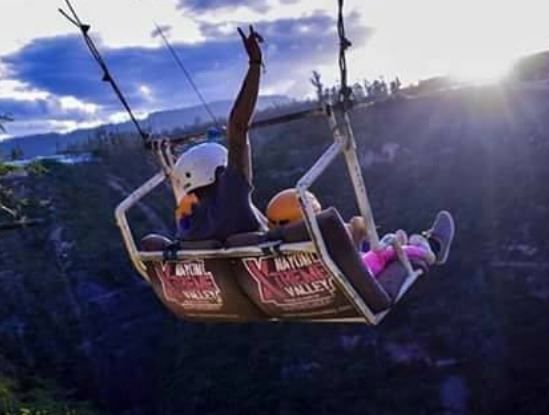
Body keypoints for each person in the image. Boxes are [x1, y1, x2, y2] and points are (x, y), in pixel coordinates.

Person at [171, 26, 268, 242]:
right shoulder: (231, 194)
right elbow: (238, 126)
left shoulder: (188, 226)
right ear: (216, 170)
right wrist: (255, 64)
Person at [265, 189, 455, 277]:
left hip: (327, 279)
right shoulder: (326, 238)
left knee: (365, 232)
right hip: (362, 270)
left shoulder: (280, 249)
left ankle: (411, 243)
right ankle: (431, 249)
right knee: (385, 244)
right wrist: (356, 230)